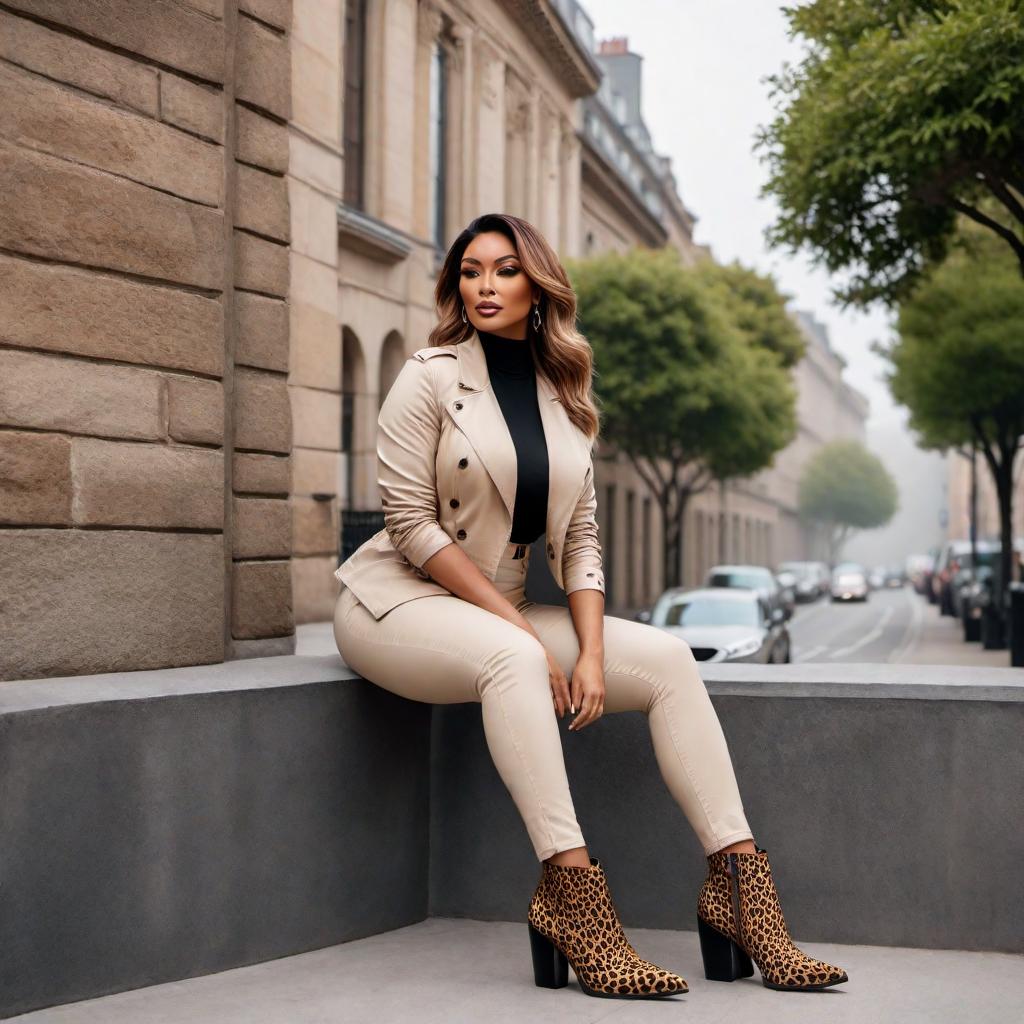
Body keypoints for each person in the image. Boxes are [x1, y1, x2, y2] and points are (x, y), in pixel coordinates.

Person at [333, 213, 848, 999]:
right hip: (396, 605)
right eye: (470, 271)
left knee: (672, 660)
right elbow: (408, 524)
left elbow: (580, 545)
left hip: (493, 608)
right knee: (513, 656)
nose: (484, 286)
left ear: (538, 287)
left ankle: (739, 893)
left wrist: (594, 655)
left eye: (504, 271)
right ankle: (572, 901)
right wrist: (523, 634)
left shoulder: (565, 396)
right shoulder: (430, 373)